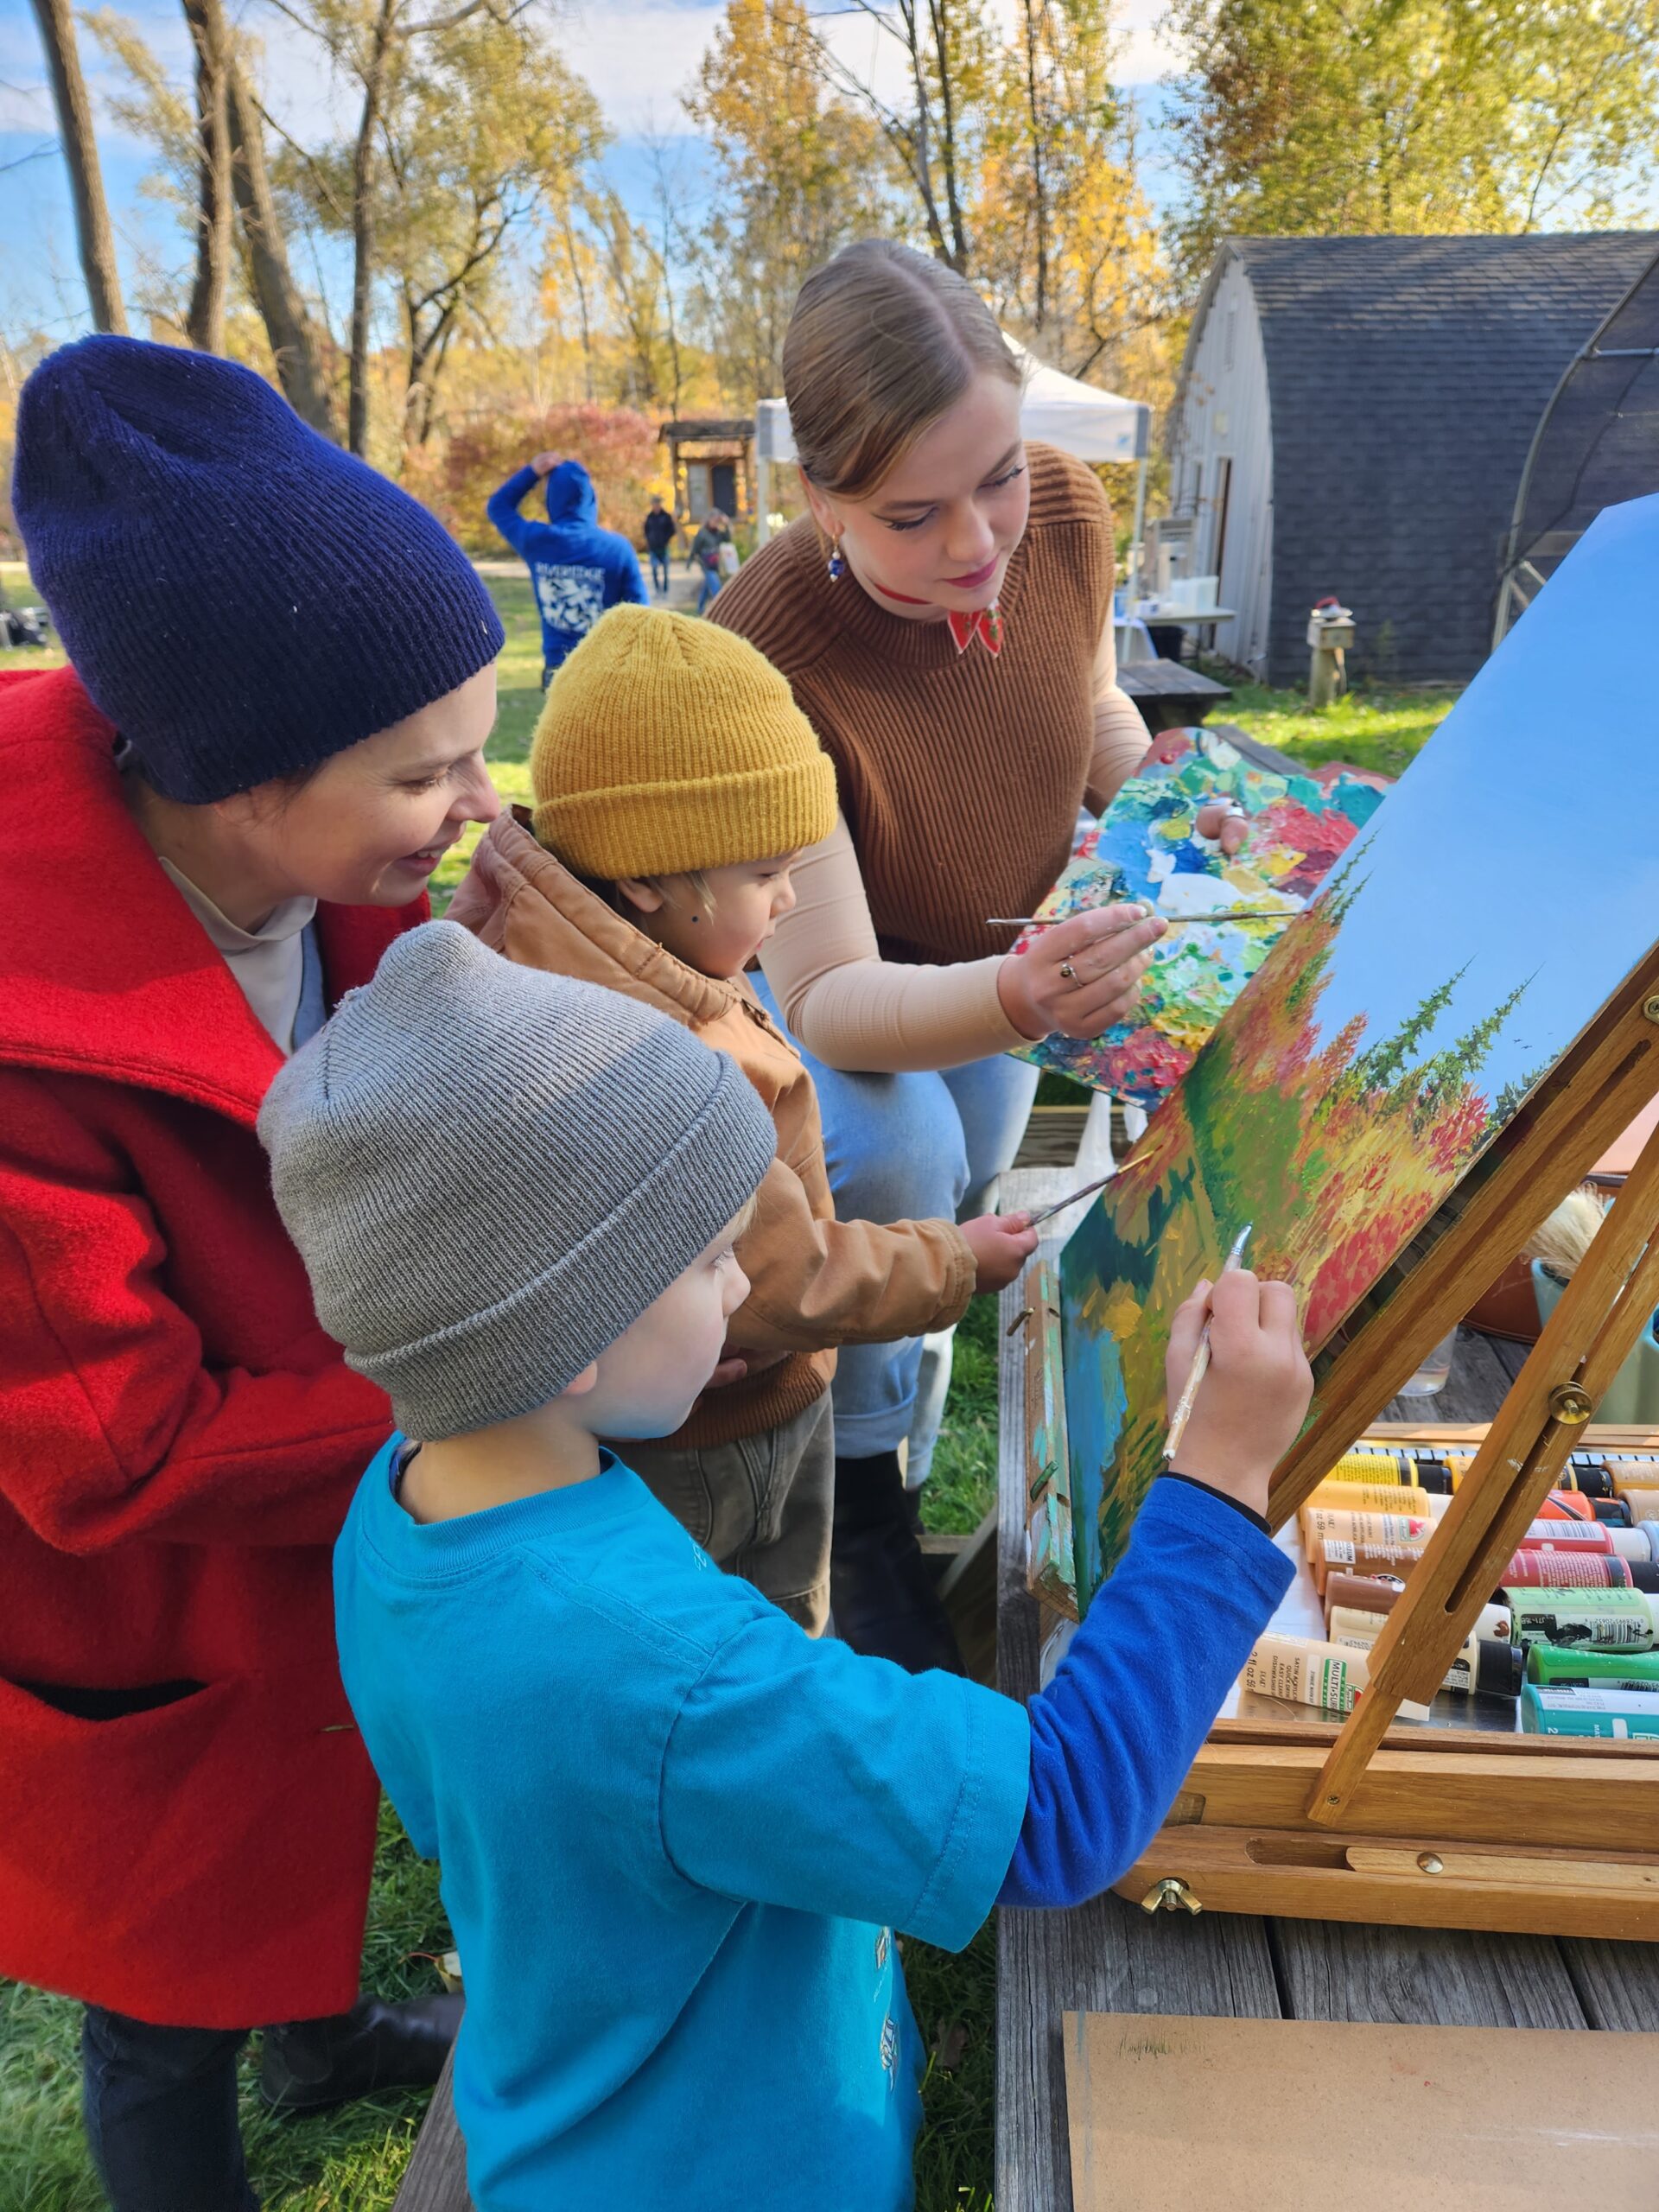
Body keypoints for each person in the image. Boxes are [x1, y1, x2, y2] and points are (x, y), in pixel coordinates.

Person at [259, 918, 1313, 2211]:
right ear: (571, 1339)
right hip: (721, 2167)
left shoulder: (411, 1504)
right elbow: (1060, 1812)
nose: (743, 1288)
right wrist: (1215, 1483)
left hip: (585, 2095)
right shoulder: (668, 1675)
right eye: (712, 1265)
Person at [1, 334, 505, 2210]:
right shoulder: (27, 1047)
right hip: (142, 1600)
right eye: (425, 771)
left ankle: (326, 2027)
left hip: (308, 1500)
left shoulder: (324, 873)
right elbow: (108, 1452)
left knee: (314, 1801)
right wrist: (459, 1402)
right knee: (160, 1973)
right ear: (234, 787)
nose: (472, 801)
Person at [712, 238, 1246, 1662]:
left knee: (968, 1186)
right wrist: (1020, 994)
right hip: (853, 973)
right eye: (912, 513)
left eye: (998, 474)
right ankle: (861, 1503)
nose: (978, 544)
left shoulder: (1066, 511)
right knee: (886, 1160)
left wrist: (1176, 807)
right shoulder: (762, 643)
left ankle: (894, 1424)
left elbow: (1084, 710)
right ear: (817, 497)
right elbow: (827, 994)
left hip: (1011, 950)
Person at [448, 605, 1035, 1659]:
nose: (792, 894)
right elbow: (778, 1280)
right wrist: (956, 1262)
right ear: (646, 879)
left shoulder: (548, 938)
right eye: (766, 874)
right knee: (753, 1640)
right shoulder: (663, 1056)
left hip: (611, 1427)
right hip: (721, 1439)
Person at [487, 452, 646, 683]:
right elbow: (640, 611)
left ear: (553, 499)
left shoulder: (537, 542)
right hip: (608, 668)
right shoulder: (618, 549)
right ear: (591, 499)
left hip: (559, 671)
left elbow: (498, 507)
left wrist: (532, 473)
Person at [689, 509, 732, 616]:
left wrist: (727, 524)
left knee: (706, 587)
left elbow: (727, 539)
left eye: (717, 521)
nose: (715, 523)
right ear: (708, 520)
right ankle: (721, 610)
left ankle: (700, 608)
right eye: (713, 520)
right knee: (716, 587)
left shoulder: (717, 533)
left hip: (714, 564)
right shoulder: (702, 533)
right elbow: (695, 549)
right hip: (706, 564)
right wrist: (690, 562)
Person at [642, 493, 678, 595]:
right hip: (653, 548)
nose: (656, 506)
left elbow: (672, 530)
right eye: (654, 504)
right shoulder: (649, 517)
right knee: (654, 569)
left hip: (663, 547)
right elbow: (646, 530)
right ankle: (658, 589)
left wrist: (666, 539)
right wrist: (649, 540)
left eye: (657, 504)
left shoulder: (666, 516)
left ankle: (665, 589)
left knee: (666, 569)